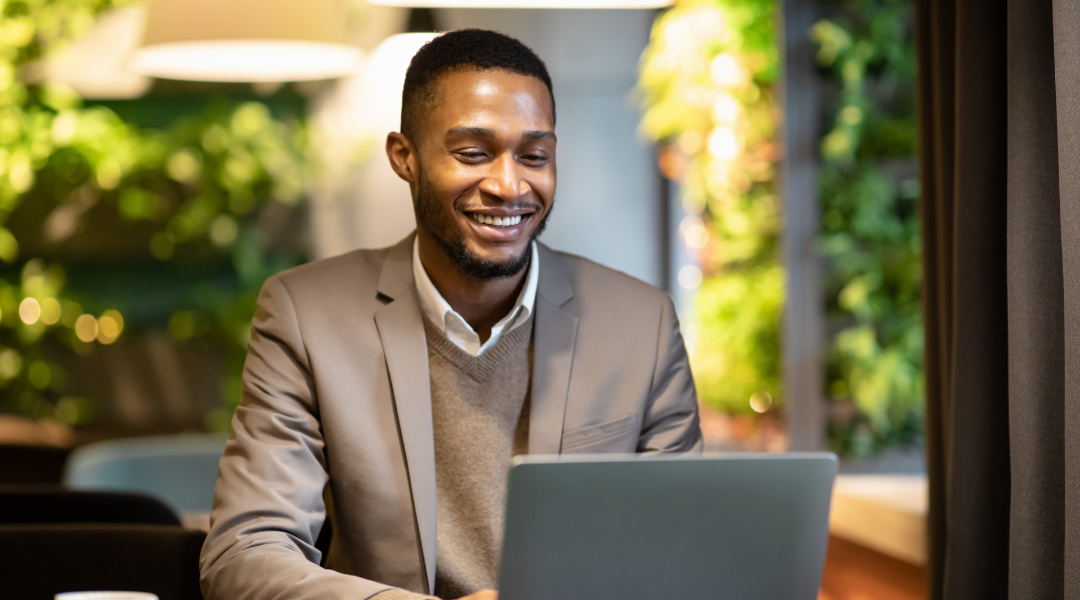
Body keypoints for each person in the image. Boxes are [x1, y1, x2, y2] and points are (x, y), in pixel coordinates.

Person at [199, 28, 702, 600]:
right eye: (473, 154)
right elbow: (245, 553)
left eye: (534, 156)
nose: (509, 185)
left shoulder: (643, 324)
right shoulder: (306, 315)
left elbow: (681, 553)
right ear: (404, 158)